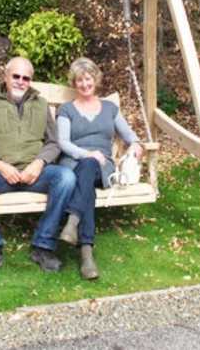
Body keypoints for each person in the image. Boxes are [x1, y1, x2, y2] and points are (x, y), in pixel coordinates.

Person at [0, 56, 76, 279]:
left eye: (26, 78)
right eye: (16, 76)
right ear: (5, 76)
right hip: (1, 176)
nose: (20, 81)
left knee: (66, 177)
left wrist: (39, 163)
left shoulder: (41, 104)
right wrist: (0, 165)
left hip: (36, 175)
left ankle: (43, 246)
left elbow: (53, 143)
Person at [57, 57, 143, 280]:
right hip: (73, 163)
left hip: (102, 167)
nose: (84, 84)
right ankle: (87, 256)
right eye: (79, 81)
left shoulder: (110, 108)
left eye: (88, 79)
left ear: (95, 79)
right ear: (74, 84)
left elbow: (128, 134)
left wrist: (135, 143)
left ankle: (72, 222)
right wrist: (86, 154)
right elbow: (63, 142)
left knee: (90, 168)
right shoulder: (66, 110)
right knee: (87, 179)